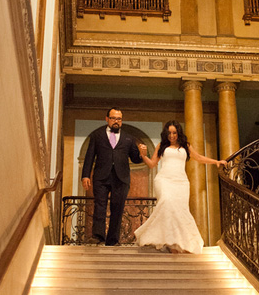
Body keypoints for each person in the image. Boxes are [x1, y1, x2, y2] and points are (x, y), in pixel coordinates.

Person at [134, 120, 227, 254]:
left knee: (179, 211)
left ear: (178, 133)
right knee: (166, 202)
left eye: (174, 133)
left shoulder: (186, 146)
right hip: (164, 180)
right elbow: (152, 164)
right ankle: (167, 240)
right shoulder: (161, 146)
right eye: (169, 133)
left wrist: (216, 162)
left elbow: (199, 158)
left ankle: (176, 243)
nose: (172, 136)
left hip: (181, 182)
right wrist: (143, 155)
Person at [81, 108, 143, 246]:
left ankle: (113, 240)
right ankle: (98, 236)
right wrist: (85, 175)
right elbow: (89, 156)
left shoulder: (129, 138)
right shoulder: (97, 135)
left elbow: (136, 159)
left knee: (118, 208)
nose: (116, 121)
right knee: (100, 205)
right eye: (114, 118)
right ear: (107, 119)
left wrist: (142, 154)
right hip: (101, 177)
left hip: (121, 178)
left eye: (119, 119)